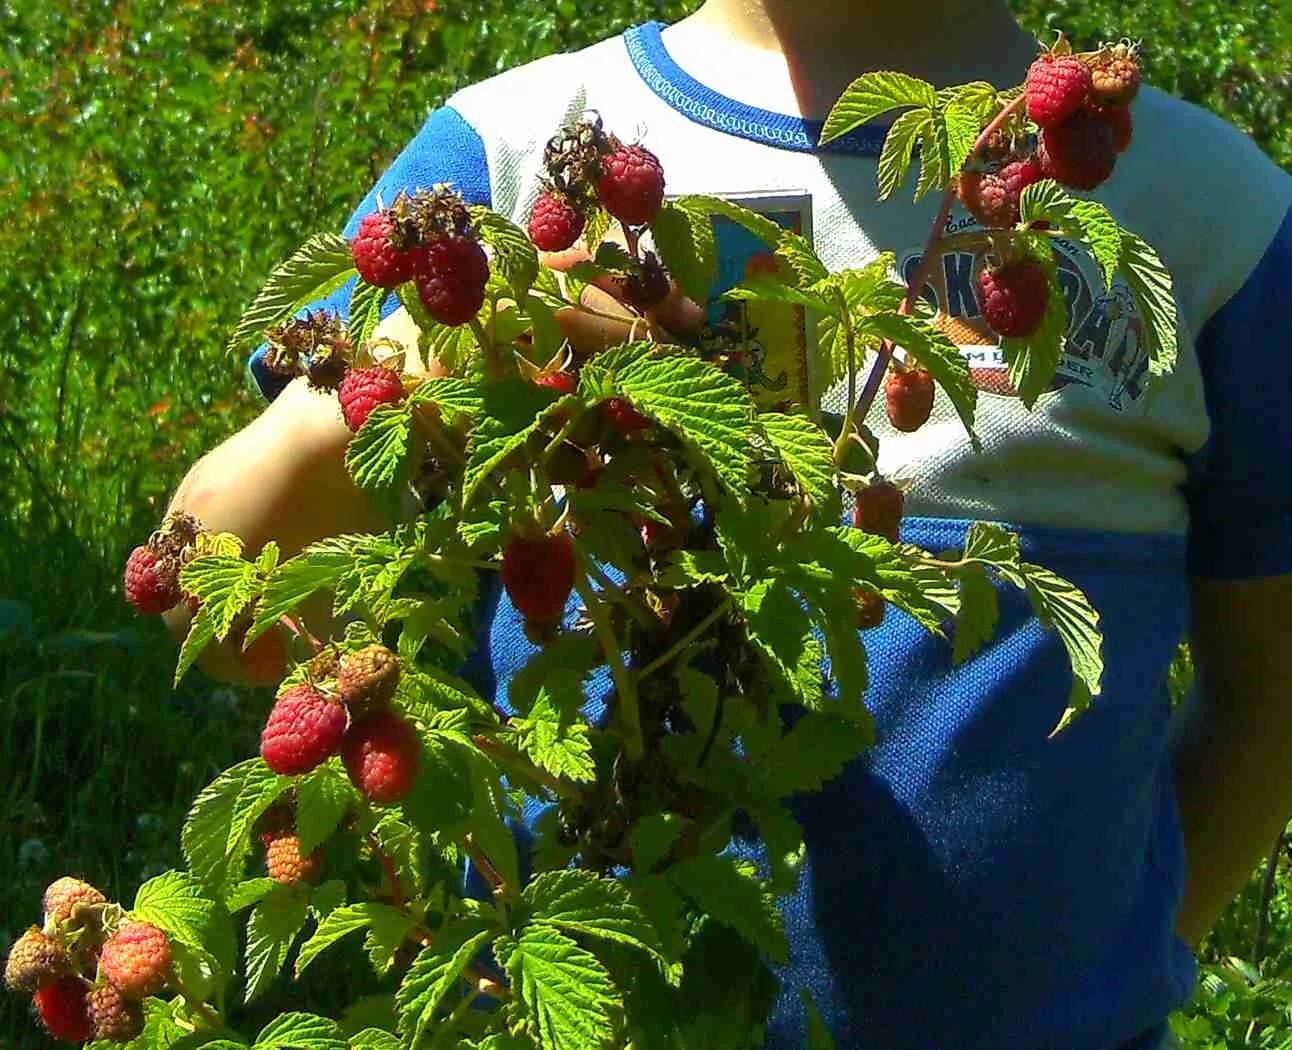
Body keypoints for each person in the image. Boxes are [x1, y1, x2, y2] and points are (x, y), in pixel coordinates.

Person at [164, 1, 1292, 1046]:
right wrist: (438, 354)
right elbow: (218, 609)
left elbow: (1270, 693)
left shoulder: (1208, 215)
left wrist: (1134, 946)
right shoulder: (503, 159)